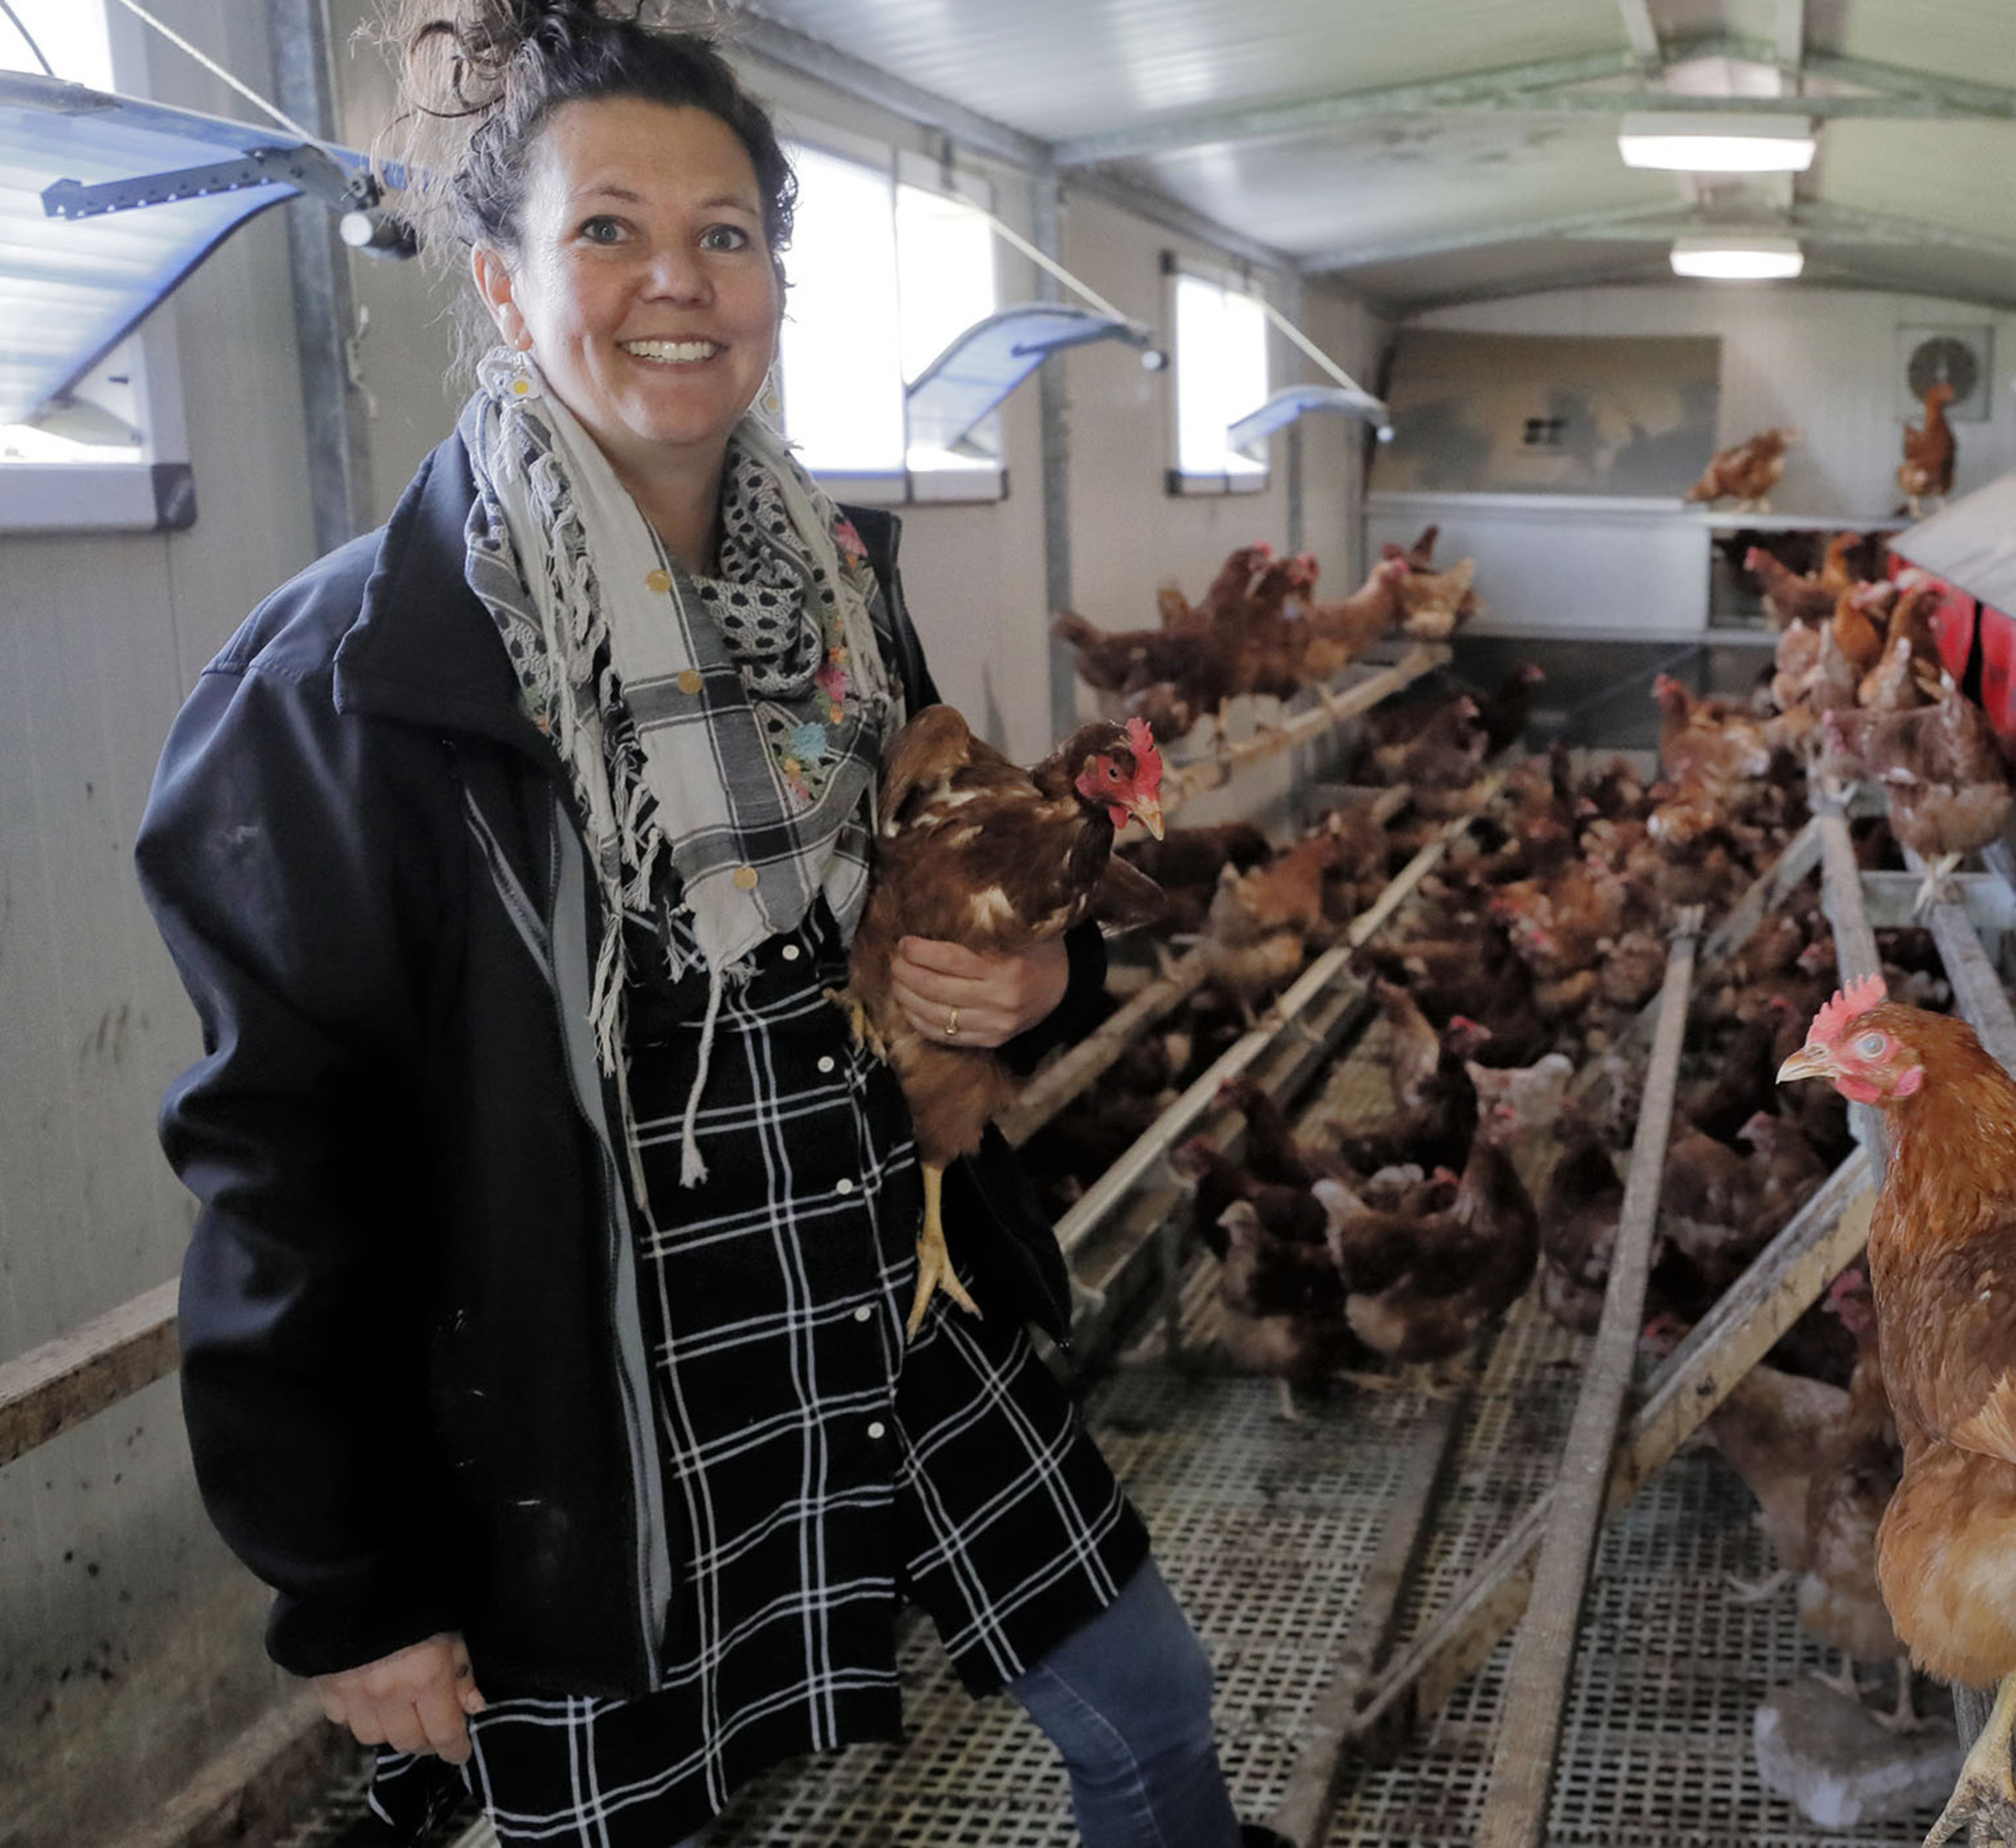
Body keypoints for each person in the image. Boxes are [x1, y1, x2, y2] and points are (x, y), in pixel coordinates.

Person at [134, 6, 1254, 1845]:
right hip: (589, 1403)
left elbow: (951, 889)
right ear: (502, 287)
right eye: (609, 230)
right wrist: (351, 1582)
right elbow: (281, 1157)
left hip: (878, 1284)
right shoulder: (349, 681)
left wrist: (1040, 983)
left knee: (1144, 1703)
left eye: (727, 234)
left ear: (777, 282)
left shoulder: (838, 599)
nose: (680, 281)